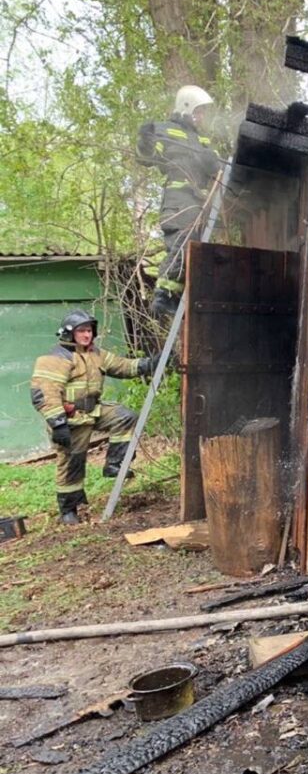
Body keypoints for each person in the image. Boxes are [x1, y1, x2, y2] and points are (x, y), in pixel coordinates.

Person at [30, 310, 154, 524]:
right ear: (70, 333)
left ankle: (115, 464)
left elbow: (124, 366)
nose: (87, 335)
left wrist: (151, 363)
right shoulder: (56, 358)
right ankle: (69, 511)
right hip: (69, 420)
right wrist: (57, 423)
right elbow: (43, 392)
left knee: (124, 417)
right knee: (72, 463)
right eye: (82, 331)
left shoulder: (96, 353)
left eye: (89, 330)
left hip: (94, 411)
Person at [136, 85, 224, 318]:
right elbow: (147, 157)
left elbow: (217, 170)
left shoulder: (201, 139)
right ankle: (163, 296)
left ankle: (175, 295)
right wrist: (145, 139)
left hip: (196, 203)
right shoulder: (165, 131)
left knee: (194, 251)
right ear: (187, 108)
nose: (202, 116)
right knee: (182, 244)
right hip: (178, 200)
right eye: (199, 111)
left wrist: (213, 161)